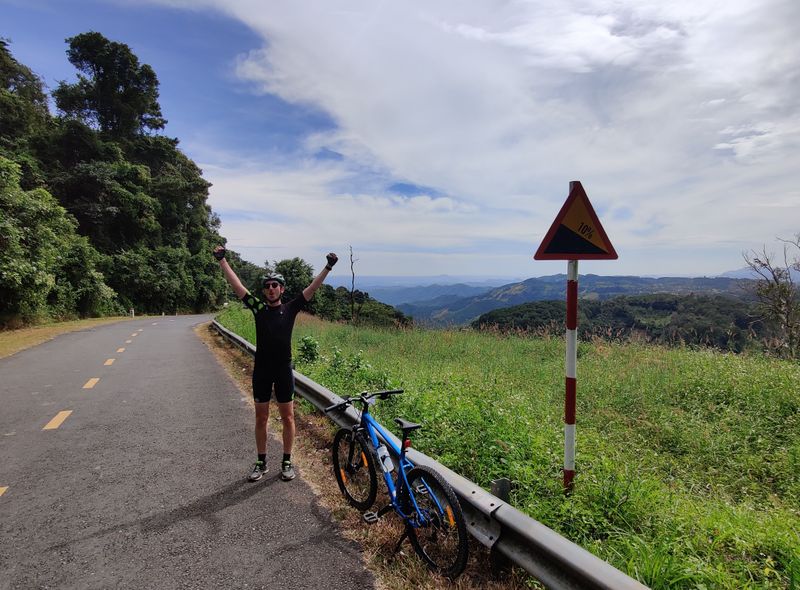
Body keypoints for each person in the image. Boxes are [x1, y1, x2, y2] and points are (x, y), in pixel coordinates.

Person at [213, 245, 338, 482]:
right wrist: (222, 261)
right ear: (264, 291)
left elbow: (312, 289)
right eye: (267, 286)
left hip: (283, 370)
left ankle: (287, 461)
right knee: (261, 418)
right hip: (262, 370)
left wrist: (328, 267)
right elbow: (237, 286)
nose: (270, 289)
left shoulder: (290, 308)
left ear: (281, 289)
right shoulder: (258, 308)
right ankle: (261, 462)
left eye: (275, 286)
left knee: (288, 418)